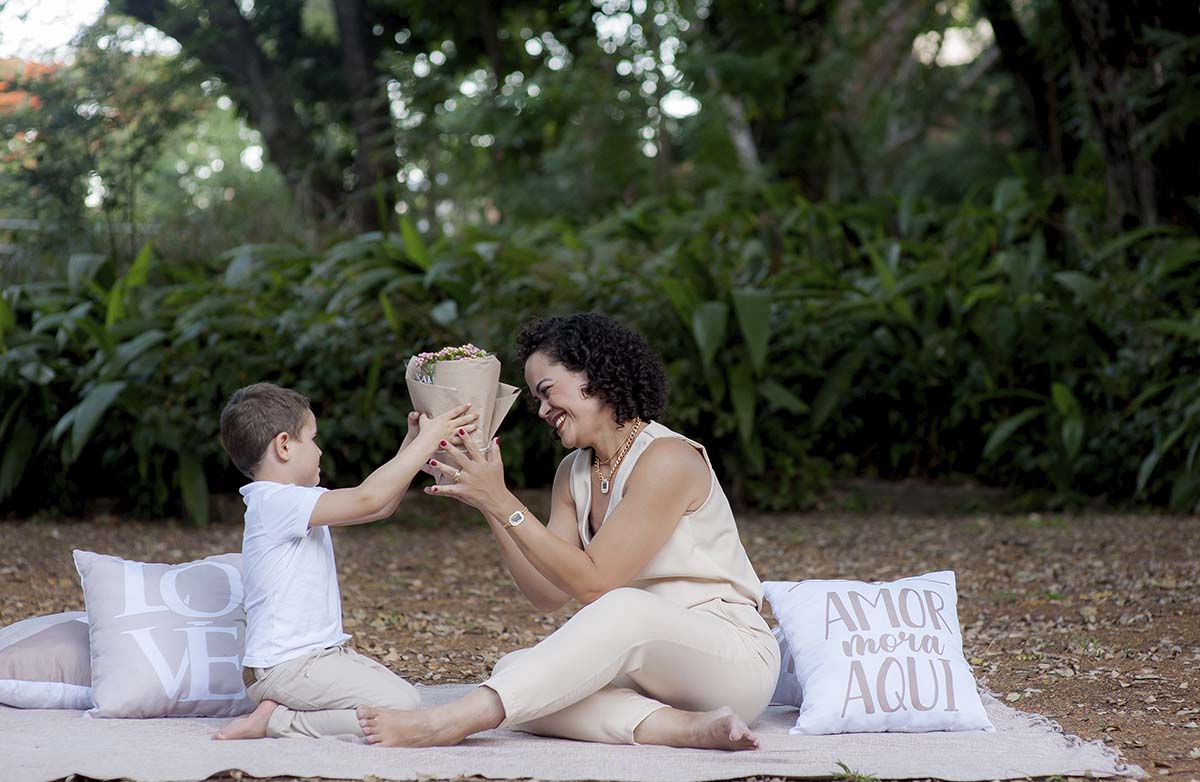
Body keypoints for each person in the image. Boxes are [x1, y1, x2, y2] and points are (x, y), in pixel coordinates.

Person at [357, 313, 780, 750]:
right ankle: (686, 729)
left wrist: (505, 501)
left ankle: (453, 720)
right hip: (643, 666)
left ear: (595, 378)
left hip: (728, 658)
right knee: (516, 668)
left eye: (547, 392)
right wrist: (488, 499)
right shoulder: (574, 472)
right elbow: (546, 593)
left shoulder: (668, 457)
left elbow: (596, 583)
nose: (541, 411)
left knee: (617, 610)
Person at [212, 381, 477, 741]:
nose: (320, 450)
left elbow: (380, 506)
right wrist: (429, 441)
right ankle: (278, 721)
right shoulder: (273, 502)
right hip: (286, 667)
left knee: (409, 698)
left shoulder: (293, 502)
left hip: (317, 658)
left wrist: (413, 444)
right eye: (313, 438)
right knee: (402, 708)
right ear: (285, 445)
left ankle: (277, 708)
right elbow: (368, 498)